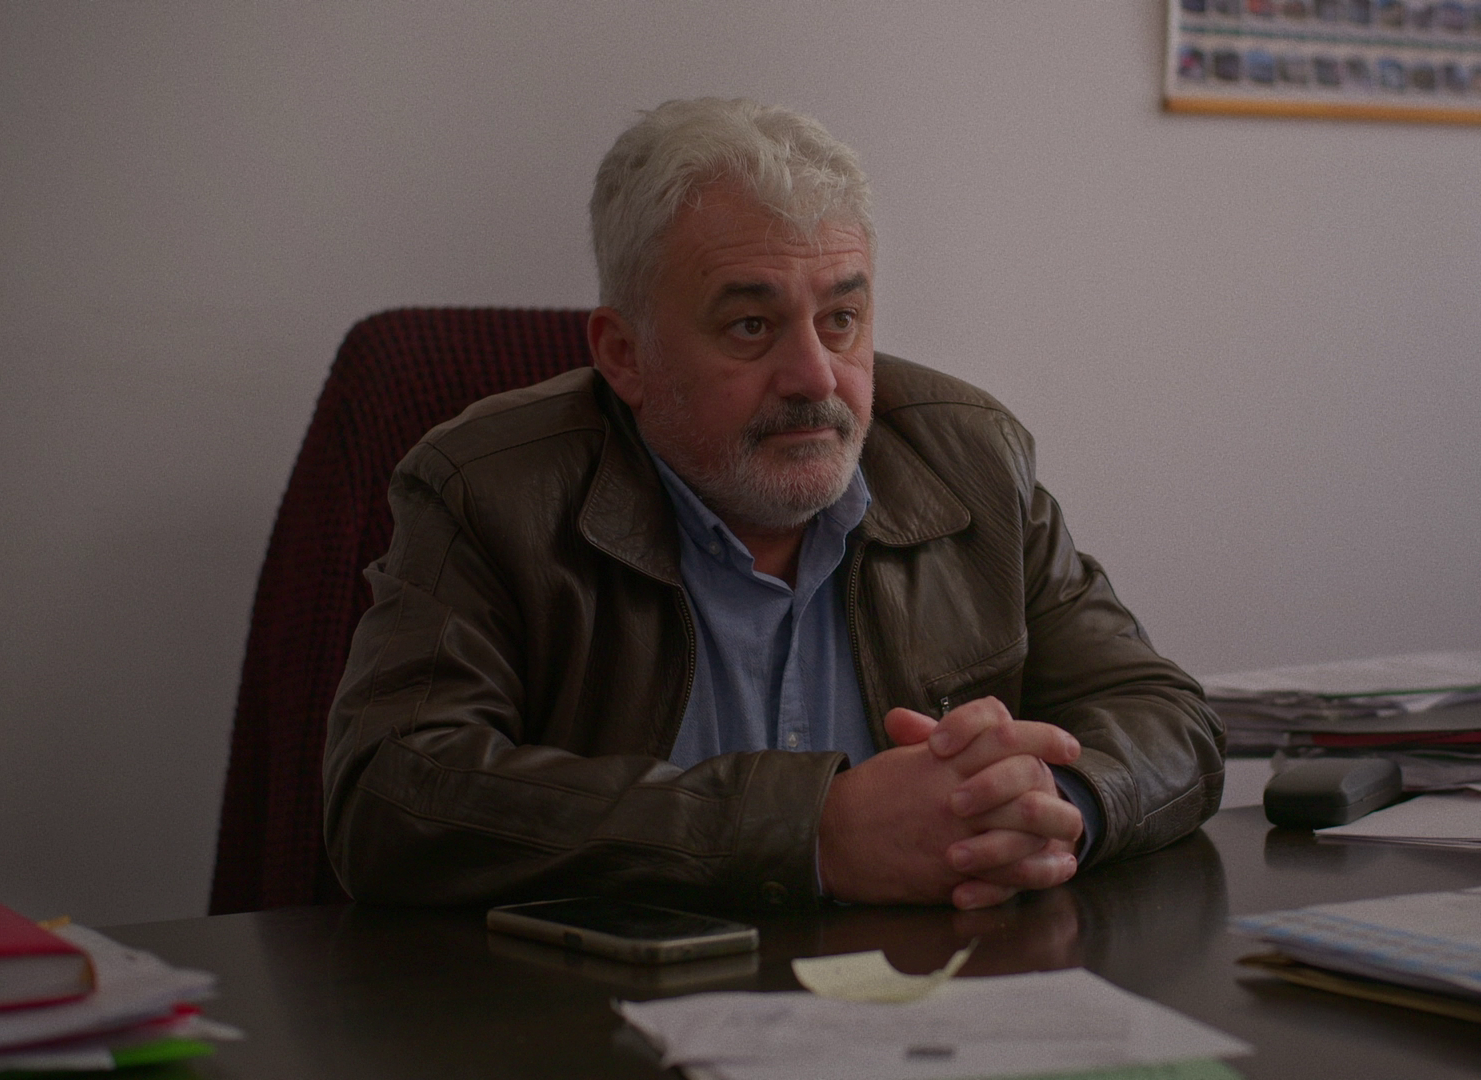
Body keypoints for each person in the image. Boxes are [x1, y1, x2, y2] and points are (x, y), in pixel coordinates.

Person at [322, 98, 1223, 912]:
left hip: (924, 1009)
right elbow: (394, 794)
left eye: (841, 320)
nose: (814, 377)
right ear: (624, 353)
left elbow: (1164, 716)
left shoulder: (973, 459)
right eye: (750, 325)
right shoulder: (486, 489)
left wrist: (1046, 809)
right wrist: (810, 832)